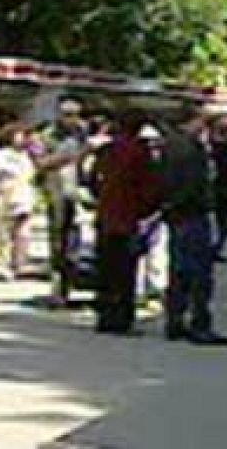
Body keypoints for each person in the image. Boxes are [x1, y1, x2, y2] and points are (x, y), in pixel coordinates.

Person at [157, 105, 227, 345]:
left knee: (178, 271)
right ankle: (199, 323)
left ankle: (175, 320)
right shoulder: (191, 148)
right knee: (199, 272)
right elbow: (193, 183)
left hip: (177, 215)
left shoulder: (169, 145)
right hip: (192, 214)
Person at [92, 110, 161, 335]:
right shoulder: (140, 153)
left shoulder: (106, 150)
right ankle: (121, 318)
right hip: (128, 218)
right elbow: (148, 187)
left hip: (105, 215)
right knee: (125, 272)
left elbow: (93, 178)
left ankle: (104, 315)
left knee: (106, 269)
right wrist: (147, 210)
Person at [34, 96, 90, 308]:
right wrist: (64, 157)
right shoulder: (47, 136)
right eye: (67, 115)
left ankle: (69, 287)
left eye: (76, 115)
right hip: (56, 192)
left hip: (78, 194)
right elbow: (39, 163)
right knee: (58, 243)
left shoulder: (81, 134)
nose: (72, 120)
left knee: (75, 244)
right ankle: (57, 289)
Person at [0, 123, 37, 281]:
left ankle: (18, 263)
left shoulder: (26, 156)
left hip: (24, 196)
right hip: (5, 195)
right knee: (3, 234)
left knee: (23, 233)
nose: (22, 138)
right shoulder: (1, 155)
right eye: (19, 135)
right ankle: (2, 266)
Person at [135, 122, 168, 311]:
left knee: (156, 253)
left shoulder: (161, 161)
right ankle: (140, 292)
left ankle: (153, 291)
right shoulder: (141, 162)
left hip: (155, 212)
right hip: (141, 213)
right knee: (142, 254)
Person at [209, 118, 227, 259]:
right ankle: (215, 248)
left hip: (218, 189)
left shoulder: (211, 149)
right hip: (222, 190)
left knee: (220, 222)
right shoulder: (223, 151)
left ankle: (214, 248)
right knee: (223, 222)